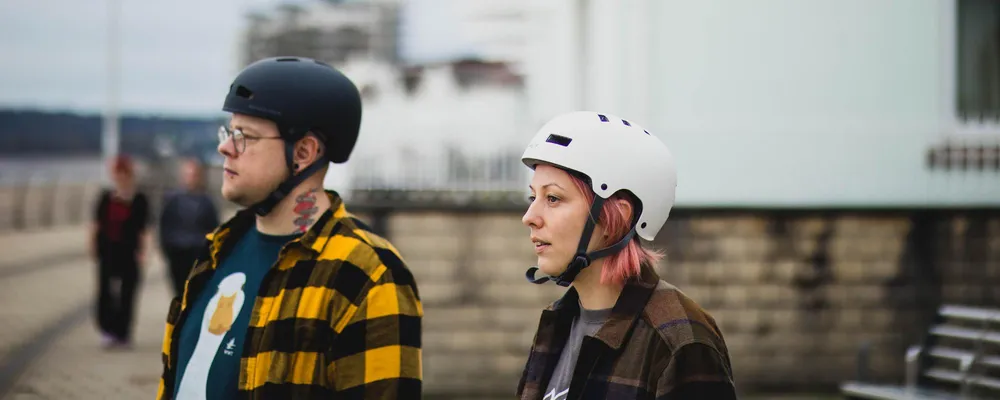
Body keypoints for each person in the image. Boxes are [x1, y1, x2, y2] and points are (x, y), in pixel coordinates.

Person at [156, 57, 422, 399]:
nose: (224, 148)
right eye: (228, 132)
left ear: (304, 152)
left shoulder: (368, 275)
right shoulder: (217, 250)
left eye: (244, 137)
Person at [515, 111, 737, 399]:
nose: (529, 217)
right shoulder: (558, 322)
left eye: (553, 198)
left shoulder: (679, 341)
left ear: (615, 217)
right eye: (534, 197)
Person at [90, 154, 150, 349]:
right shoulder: (105, 197)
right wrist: (92, 246)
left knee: (127, 293)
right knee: (105, 292)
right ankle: (107, 329)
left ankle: (123, 332)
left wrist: (143, 252)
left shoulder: (139, 199)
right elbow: (96, 224)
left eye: (124, 173)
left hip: (129, 252)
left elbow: (144, 229)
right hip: (108, 250)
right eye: (118, 173)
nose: (121, 177)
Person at [159, 157, 219, 298]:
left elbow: (214, 228)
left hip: (198, 253)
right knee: (179, 293)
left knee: (196, 293)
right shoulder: (172, 199)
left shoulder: (207, 202)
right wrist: (166, 248)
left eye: (194, 175)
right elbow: (164, 225)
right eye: (188, 174)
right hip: (177, 252)